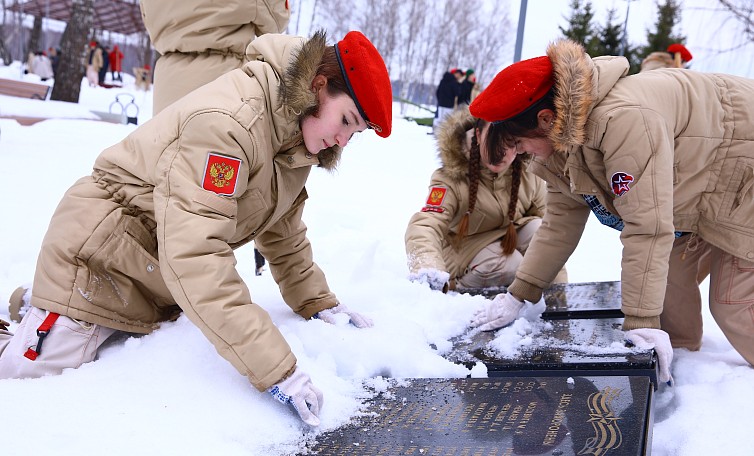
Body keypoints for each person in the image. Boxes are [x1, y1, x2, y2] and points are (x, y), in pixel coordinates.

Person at [0, 29, 393, 427]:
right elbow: (195, 253)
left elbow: (284, 234)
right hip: (100, 258)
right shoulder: (232, 124)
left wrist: (318, 302)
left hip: (153, 275)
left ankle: (39, 305)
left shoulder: (295, 139)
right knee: (27, 375)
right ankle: (52, 304)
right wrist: (277, 370)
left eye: (354, 133)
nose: (341, 141)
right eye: (346, 120)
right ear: (318, 85)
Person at [468, 38, 754, 387]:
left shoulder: (623, 121)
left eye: (519, 143)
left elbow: (646, 225)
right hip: (696, 192)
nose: (522, 154)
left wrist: (641, 322)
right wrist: (519, 293)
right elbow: (558, 225)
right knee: (669, 295)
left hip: (742, 175)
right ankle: (683, 377)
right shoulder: (558, 145)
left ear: (545, 118)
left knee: (734, 305)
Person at [405, 107, 567, 293]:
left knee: (539, 230)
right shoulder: (450, 177)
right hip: (464, 253)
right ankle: (457, 289)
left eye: (511, 143)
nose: (503, 153)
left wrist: (561, 291)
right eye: (496, 141)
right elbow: (425, 225)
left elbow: (550, 231)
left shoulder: (527, 173)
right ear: (479, 134)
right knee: (510, 263)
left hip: (507, 240)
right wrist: (428, 268)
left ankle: (549, 298)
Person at [139, 0, 291, 114]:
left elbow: (148, 18)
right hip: (224, 80)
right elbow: (276, 20)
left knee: (168, 151)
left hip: (168, 83)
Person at [433, 68, 464, 133]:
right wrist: (459, 84)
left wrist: (440, 100)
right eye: (460, 75)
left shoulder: (443, 80)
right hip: (449, 106)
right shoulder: (454, 82)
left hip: (441, 104)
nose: (460, 77)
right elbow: (458, 93)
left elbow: (438, 92)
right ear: (456, 74)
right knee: (447, 121)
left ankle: (436, 132)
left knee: (439, 119)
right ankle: (442, 134)